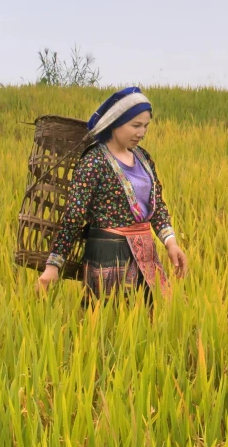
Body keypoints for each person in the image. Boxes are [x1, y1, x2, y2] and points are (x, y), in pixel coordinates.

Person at [37, 87, 190, 297]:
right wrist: (53, 265)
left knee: (150, 319)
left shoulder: (143, 158)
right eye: (135, 125)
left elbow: (157, 205)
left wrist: (170, 242)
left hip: (146, 254)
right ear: (115, 123)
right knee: (108, 320)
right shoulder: (94, 161)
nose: (141, 133)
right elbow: (74, 215)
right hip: (108, 255)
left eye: (146, 126)